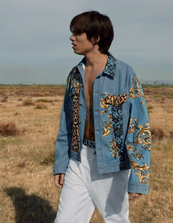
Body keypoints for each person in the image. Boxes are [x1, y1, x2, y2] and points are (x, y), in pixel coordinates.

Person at [53, 11, 151, 223]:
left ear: (96, 38)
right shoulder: (75, 75)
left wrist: (139, 178)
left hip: (113, 163)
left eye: (78, 33)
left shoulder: (124, 74)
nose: (72, 38)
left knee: (117, 220)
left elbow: (139, 127)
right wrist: (61, 163)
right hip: (79, 159)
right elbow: (66, 123)